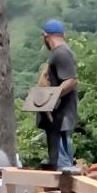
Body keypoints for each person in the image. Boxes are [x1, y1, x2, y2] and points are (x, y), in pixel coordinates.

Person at [37, 19, 78, 169]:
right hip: (59, 118)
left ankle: (66, 188)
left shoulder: (61, 53)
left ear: (46, 36)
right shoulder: (62, 52)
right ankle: (66, 186)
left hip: (60, 117)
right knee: (60, 157)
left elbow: (71, 80)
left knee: (62, 163)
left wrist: (50, 98)